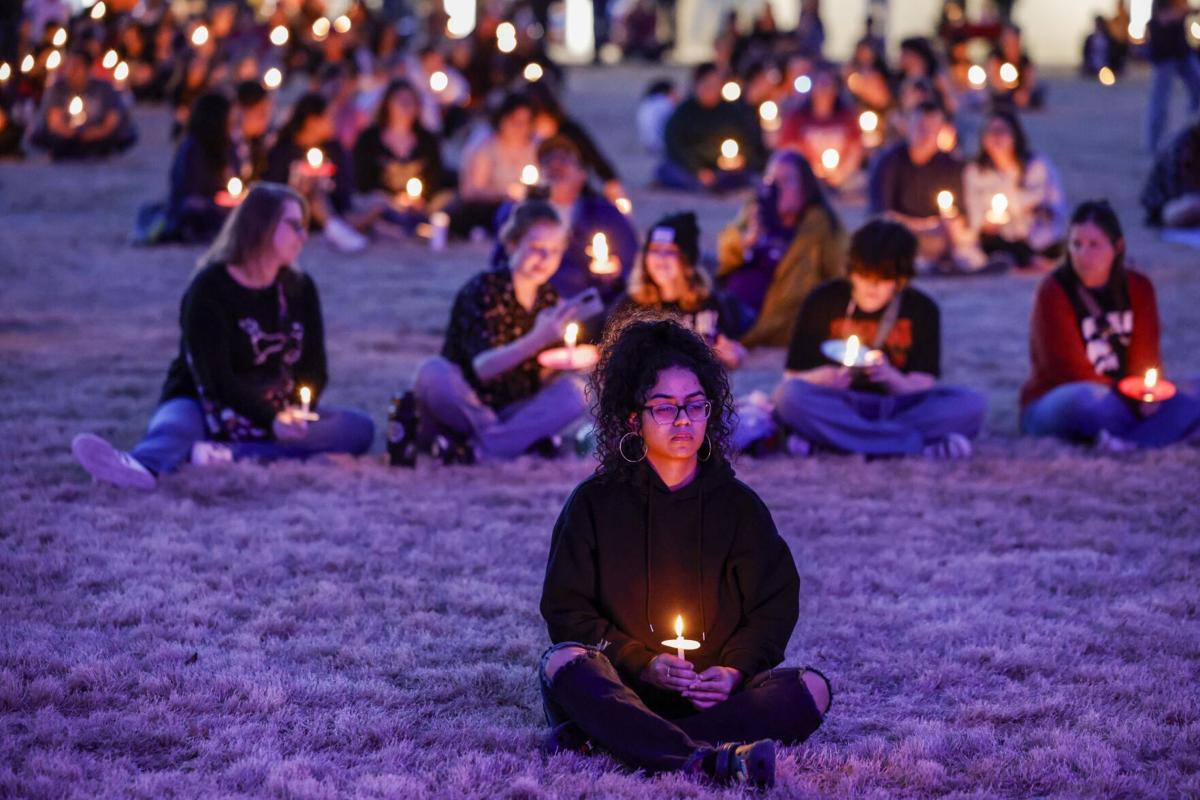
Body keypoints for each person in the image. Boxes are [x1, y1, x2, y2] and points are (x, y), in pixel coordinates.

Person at [537, 317, 832, 788]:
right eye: (664, 407)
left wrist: (733, 670)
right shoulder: (595, 503)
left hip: (711, 695)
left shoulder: (738, 507)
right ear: (632, 418)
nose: (683, 420)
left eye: (695, 405)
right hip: (623, 685)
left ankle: (613, 740)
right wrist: (643, 662)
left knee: (811, 689)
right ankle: (701, 760)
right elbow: (566, 610)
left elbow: (773, 604)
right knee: (563, 661)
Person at [71, 183, 375, 490]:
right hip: (204, 401)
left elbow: (314, 367)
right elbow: (215, 379)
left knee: (357, 429)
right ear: (262, 227)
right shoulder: (209, 289)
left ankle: (225, 454)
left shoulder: (300, 288)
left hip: (277, 408)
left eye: (304, 226)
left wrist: (295, 413)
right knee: (175, 429)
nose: (304, 236)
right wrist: (269, 419)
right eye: (294, 225)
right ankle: (138, 467)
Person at [765, 219, 986, 458]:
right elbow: (792, 377)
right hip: (837, 404)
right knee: (788, 397)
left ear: (901, 279)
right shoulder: (822, 300)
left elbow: (921, 385)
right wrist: (822, 378)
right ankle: (912, 446)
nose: (872, 285)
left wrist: (890, 377)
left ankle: (833, 443)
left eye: (884, 277)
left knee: (970, 404)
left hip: (897, 407)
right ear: (851, 271)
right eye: (863, 275)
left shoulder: (922, 308)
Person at [396, 201, 590, 464]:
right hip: (466, 402)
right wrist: (538, 338)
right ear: (512, 245)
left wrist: (566, 361)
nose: (545, 258)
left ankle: (477, 448)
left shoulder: (549, 299)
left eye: (554, 251)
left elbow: (539, 374)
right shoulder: (483, 290)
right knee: (432, 372)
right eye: (536, 248)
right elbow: (483, 369)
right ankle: (508, 442)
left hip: (515, 407)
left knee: (576, 393)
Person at [1021, 201, 1200, 449]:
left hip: (1127, 397)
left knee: (1191, 388)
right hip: (1063, 398)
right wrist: (1131, 400)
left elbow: (1145, 357)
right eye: (1076, 244)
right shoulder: (1054, 290)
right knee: (1087, 400)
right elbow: (1068, 369)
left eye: (1094, 245)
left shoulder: (1138, 287)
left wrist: (1147, 395)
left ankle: (1126, 440)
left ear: (1117, 247)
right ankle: (1164, 430)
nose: (1083, 254)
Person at [716, 151, 846, 347]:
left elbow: (839, 274)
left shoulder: (819, 228)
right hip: (732, 310)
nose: (777, 187)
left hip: (777, 323)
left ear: (805, 189)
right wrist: (746, 241)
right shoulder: (755, 212)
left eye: (786, 181)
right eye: (771, 180)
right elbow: (724, 258)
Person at [495, 135, 637, 306]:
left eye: (564, 159)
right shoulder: (521, 213)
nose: (555, 164)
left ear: (582, 175)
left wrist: (616, 274)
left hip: (595, 305)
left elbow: (632, 262)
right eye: (547, 160)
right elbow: (500, 261)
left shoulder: (605, 214)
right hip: (532, 305)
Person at [612, 212, 750, 371]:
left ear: (687, 261)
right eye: (654, 250)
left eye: (669, 251)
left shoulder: (710, 302)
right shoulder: (631, 305)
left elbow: (737, 342)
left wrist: (735, 353)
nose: (660, 258)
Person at [869, 101, 979, 273]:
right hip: (902, 233)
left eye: (932, 129)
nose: (926, 135)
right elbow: (882, 215)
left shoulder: (951, 164)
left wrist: (952, 225)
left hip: (941, 235)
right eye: (921, 127)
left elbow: (960, 214)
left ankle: (954, 261)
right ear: (908, 127)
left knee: (959, 236)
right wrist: (926, 226)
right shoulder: (889, 162)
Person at [265, 91, 370, 253]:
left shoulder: (334, 149)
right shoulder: (283, 152)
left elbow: (345, 188)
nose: (333, 121)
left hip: (336, 210)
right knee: (312, 194)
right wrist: (298, 191)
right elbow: (273, 191)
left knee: (377, 202)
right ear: (311, 121)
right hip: (294, 214)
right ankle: (336, 229)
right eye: (329, 117)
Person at [962, 109, 1067, 271]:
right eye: (991, 131)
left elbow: (1042, 201)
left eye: (1002, 131)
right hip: (999, 239)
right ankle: (1027, 260)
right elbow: (975, 212)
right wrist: (988, 222)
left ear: (1015, 135)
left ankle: (1032, 258)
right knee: (989, 242)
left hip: (1038, 235)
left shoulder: (1036, 165)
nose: (996, 137)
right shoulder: (976, 171)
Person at [352, 78, 446, 234]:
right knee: (373, 205)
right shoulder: (369, 138)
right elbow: (362, 181)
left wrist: (420, 199)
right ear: (387, 104)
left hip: (421, 205)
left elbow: (435, 178)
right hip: (380, 202)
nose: (406, 106)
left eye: (411, 101)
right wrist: (395, 201)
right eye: (400, 101)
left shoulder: (428, 140)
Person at [655, 62, 766, 193]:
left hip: (722, 168)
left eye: (717, 85)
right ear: (697, 85)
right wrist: (698, 170)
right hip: (692, 168)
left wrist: (740, 159)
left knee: (744, 174)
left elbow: (749, 140)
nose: (713, 90)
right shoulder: (683, 113)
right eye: (708, 85)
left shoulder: (732, 111)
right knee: (668, 170)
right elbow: (675, 146)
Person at [449, 92, 539, 238]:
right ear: (502, 120)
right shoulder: (486, 147)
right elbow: (471, 190)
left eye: (525, 122)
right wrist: (505, 194)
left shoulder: (536, 147)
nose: (520, 127)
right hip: (490, 207)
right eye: (514, 121)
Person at [30, 49, 137, 160]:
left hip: (97, 134)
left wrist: (93, 133)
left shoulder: (104, 88)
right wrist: (74, 134)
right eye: (68, 67)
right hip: (67, 136)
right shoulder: (59, 88)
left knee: (121, 136)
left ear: (88, 69)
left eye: (76, 67)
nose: (71, 72)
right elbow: (55, 122)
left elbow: (112, 121)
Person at [776, 65, 863, 191]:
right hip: (805, 181)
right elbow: (788, 150)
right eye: (820, 85)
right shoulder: (797, 119)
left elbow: (856, 149)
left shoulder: (847, 117)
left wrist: (842, 173)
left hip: (843, 181)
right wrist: (809, 171)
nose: (824, 91)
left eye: (828, 85)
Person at [1145, 0, 1200, 153]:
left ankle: (1192, 129)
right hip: (1165, 53)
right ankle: (1153, 143)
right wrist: (1184, 11)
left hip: (1182, 52)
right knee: (1159, 101)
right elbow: (1164, 18)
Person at [1141, 117, 1200, 228]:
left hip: (1188, 201)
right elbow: (1177, 190)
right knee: (1193, 205)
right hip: (1166, 207)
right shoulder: (1182, 145)